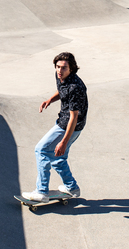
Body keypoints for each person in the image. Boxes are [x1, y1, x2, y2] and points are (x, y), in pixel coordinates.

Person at [23, 52, 87, 202]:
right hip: (72, 124)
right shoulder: (60, 77)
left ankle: (42, 191)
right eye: (58, 67)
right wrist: (50, 100)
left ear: (72, 68)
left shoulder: (75, 87)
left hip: (69, 125)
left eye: (64, 68)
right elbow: (61, 90)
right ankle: (71, 187)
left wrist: (64, 142)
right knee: (58, 157)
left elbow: (73, 116)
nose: (59, 71)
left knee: (41, 150)